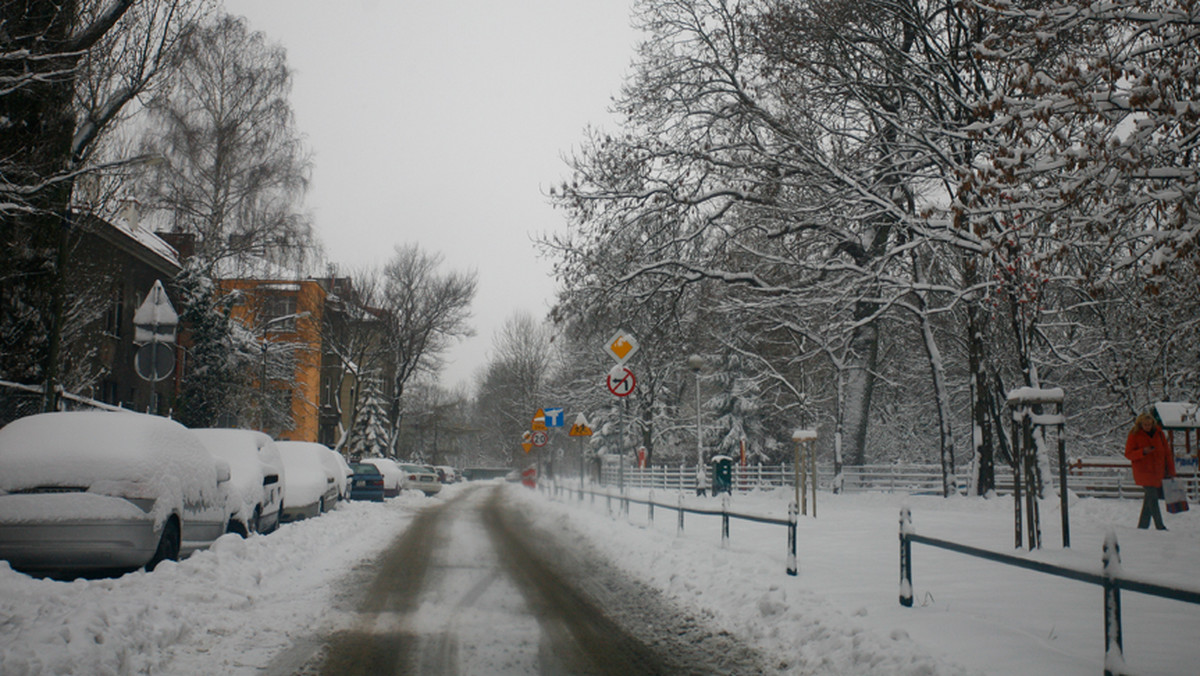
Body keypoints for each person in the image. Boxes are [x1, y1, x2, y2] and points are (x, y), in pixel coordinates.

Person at [1124, 412, 1176, 530]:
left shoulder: (1160, 434)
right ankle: (1160, 526)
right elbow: (1128, 454)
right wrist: (1142, 452)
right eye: (1145, 424)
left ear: (1153, 423)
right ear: (1140, 424)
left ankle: (1142, 526)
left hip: (1158, 472)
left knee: (1149, 499)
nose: (1147, 426)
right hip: (1143, 472)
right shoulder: (1134, 434)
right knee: (1153, 498)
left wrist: (1171, 471)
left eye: (1149, 424)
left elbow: (1167, 453)